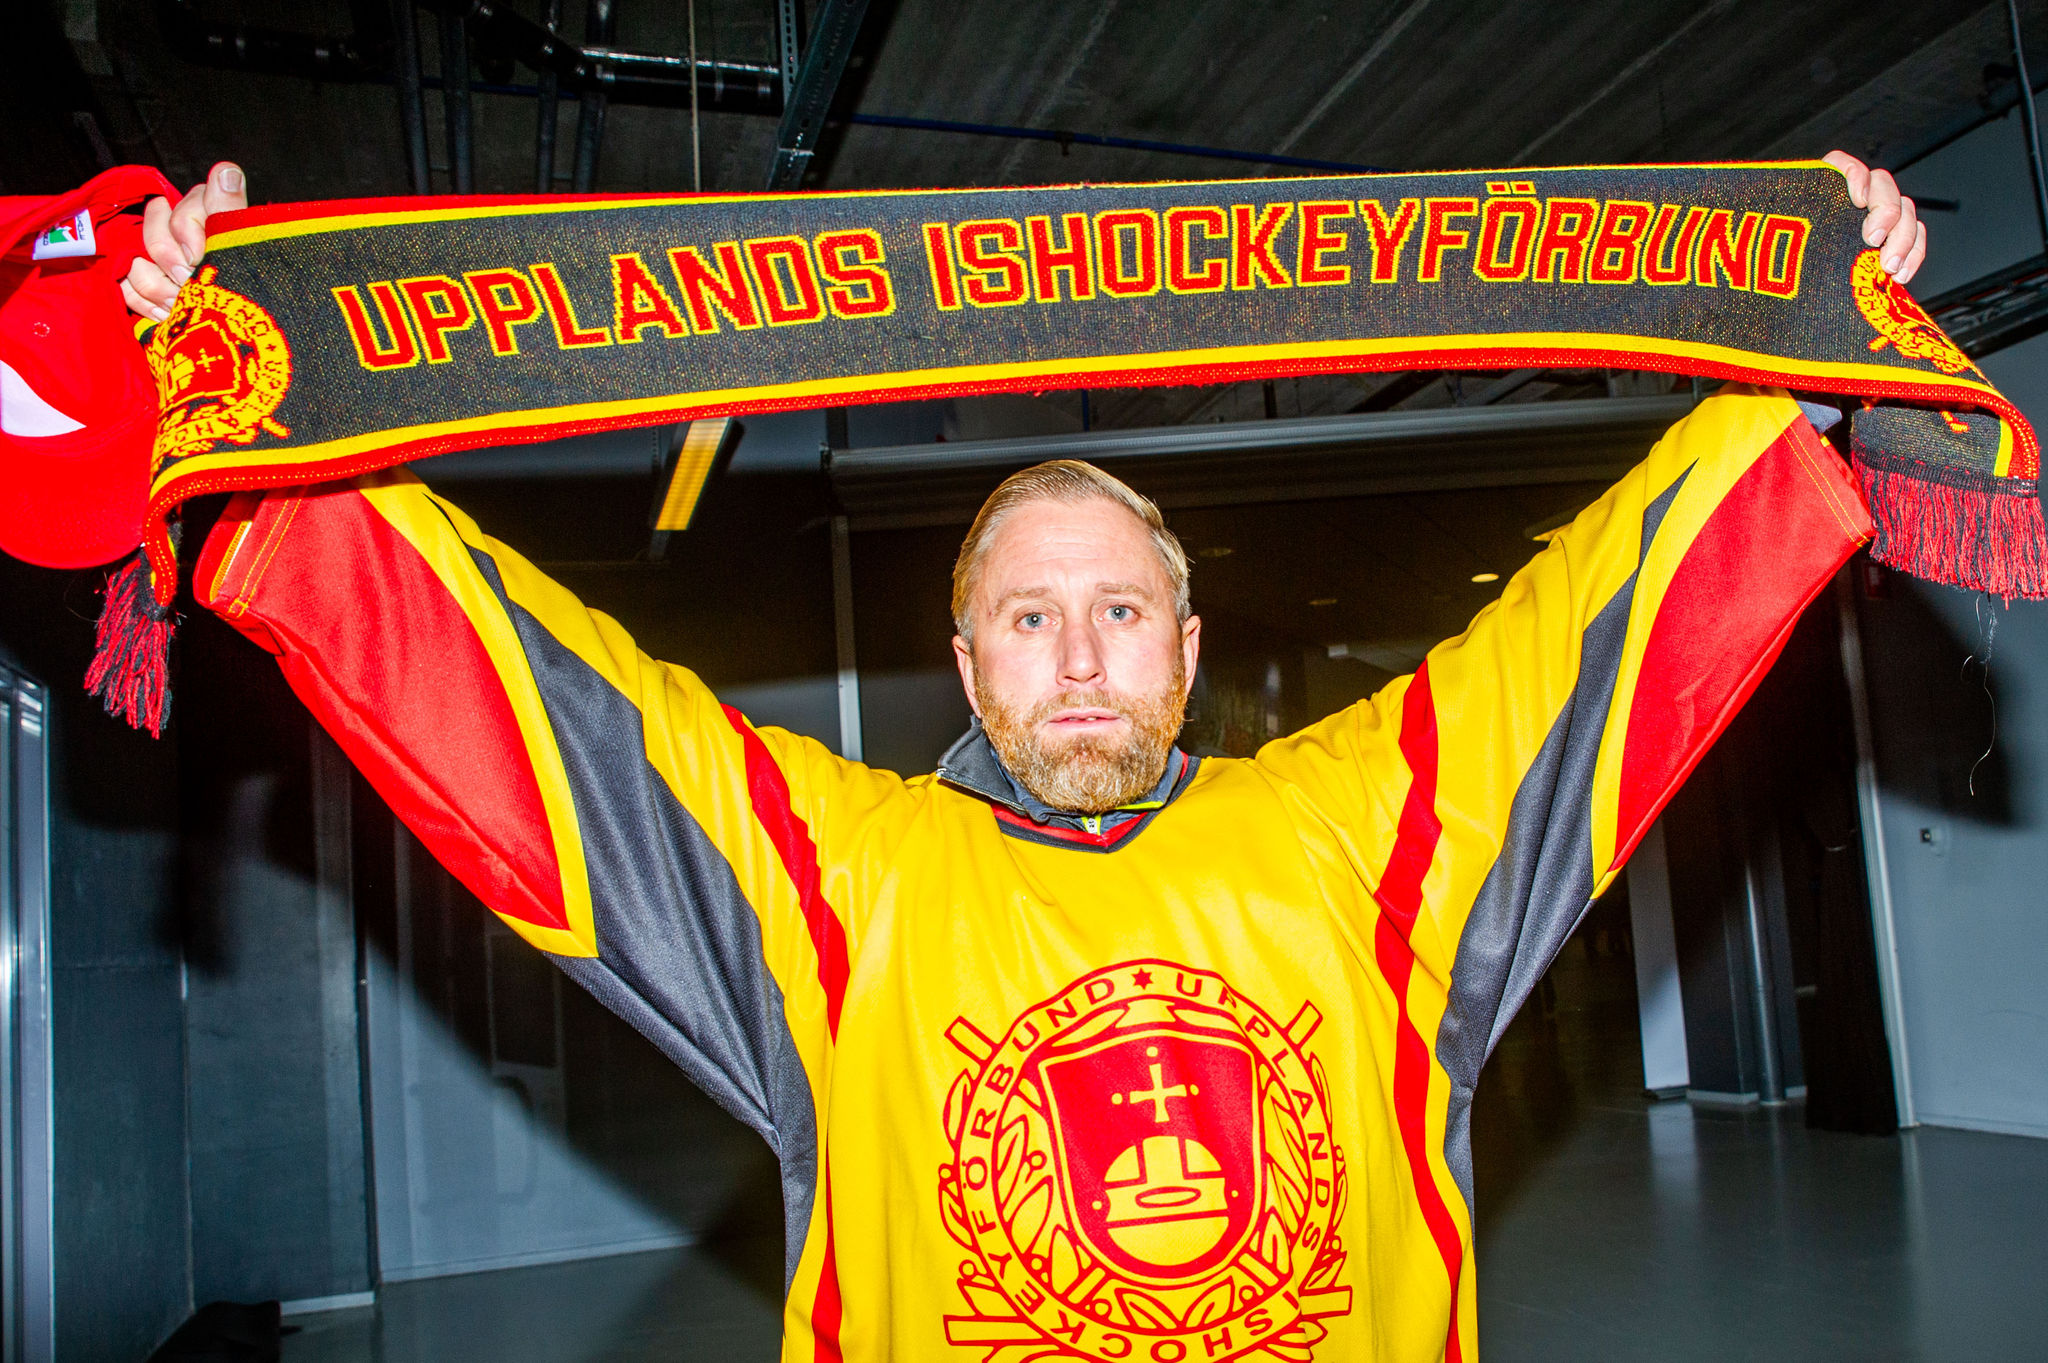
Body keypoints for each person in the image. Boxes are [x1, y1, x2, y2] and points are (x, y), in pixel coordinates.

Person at [125, 158, 1921, 1363]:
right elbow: (542, 714)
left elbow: (1602, 634)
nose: (1078, 659)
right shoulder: (842, 885)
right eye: (1030, 618)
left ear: (1189, 648)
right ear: (967, 660)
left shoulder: (1366, 834)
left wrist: (1810, 346)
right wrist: (262, 378)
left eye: (1122, 612)